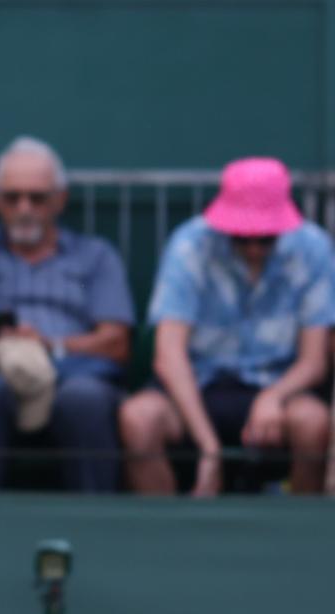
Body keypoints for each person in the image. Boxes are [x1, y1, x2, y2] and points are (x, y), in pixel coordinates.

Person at [0, 137, 136, 492]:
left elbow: (117, 345)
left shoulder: (96, 257)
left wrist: (50, 345)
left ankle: (93, 515)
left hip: (71, 374)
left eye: (37, 198)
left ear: (60, 199)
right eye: (12, 197)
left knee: (84, 398)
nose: (24, 208)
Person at [120, 157, 335, 496]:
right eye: (242, 237)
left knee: (313, 423)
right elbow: (169, 356)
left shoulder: (313, 248)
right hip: (196, 386)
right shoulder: (190, 244)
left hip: (278, 387)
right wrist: (208, 447)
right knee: (139, 418)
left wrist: (273, 397)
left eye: (266, 238)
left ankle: (301, 527)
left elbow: (314, 361)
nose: (253, 248)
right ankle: (164, 526)